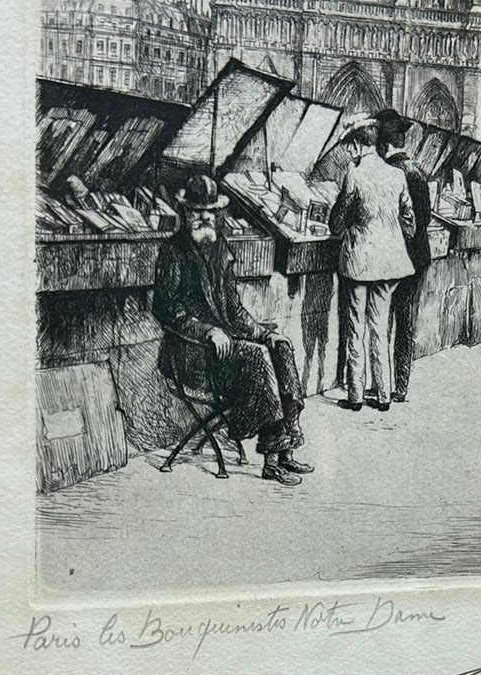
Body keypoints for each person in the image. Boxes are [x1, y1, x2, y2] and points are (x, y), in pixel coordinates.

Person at [152, 174, 313, 486]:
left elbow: (234, 309)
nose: (204, 217)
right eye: (197, 211)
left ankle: (287, 448)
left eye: (210, 212)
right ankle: (270, 460)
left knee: (279, 346)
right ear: (185, 213)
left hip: (222, 351)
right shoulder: (172, 252)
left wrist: (263, 332)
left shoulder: (219, 248)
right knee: (257, 358)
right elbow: (166, 309)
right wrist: (207, 331)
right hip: (189, 354)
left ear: (217, 215)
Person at [329, 121, 416, 412]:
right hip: (390, 263)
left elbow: (336, 223)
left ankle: (355, 396)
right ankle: (383, 395)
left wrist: (352, 224)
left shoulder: (354, 175)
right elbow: (410, 223)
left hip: (360, 262)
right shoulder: (396, 175)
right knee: (380, 329)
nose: (348, 152)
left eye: (349, 146)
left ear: (356, 145)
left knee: (357, 328)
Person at [375, 108, 431, 404]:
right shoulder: (418, 172)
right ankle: (401, 385)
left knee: (384, 319)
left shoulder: (390, 173)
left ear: (384, 146)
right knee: (406, 323)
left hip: (395, 258)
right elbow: (426, 219)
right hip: (419, 257)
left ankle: (382, 382)